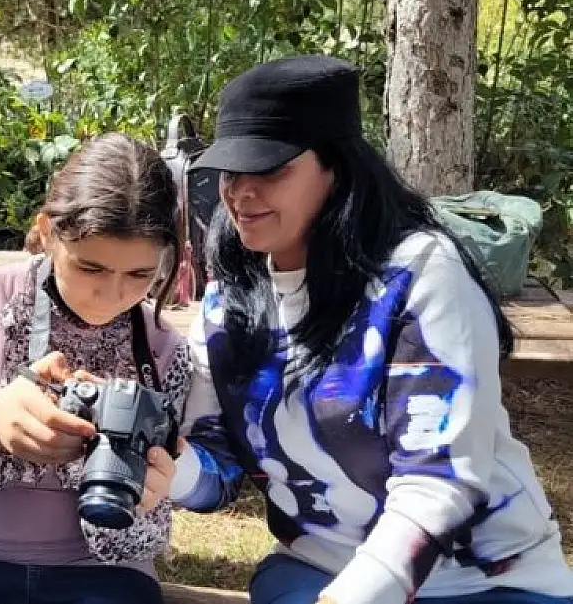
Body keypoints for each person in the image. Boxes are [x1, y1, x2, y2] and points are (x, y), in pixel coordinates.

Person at [168, 53, 573, 604]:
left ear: (338, 168)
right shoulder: (228, 302)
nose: (240, 192)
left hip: (486, 580)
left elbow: (438, 483)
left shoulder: (422, 275)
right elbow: (215, 467)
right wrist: (160, 473)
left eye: (271, 169)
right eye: (231, 172)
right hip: (317, 571)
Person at [0, 133, 189, 604]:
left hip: (106, 571)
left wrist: (143, 497)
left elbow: (148, 535)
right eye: (90, 268)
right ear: (46, 232)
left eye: (140, 276)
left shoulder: (166, 350)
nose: (111, 295)